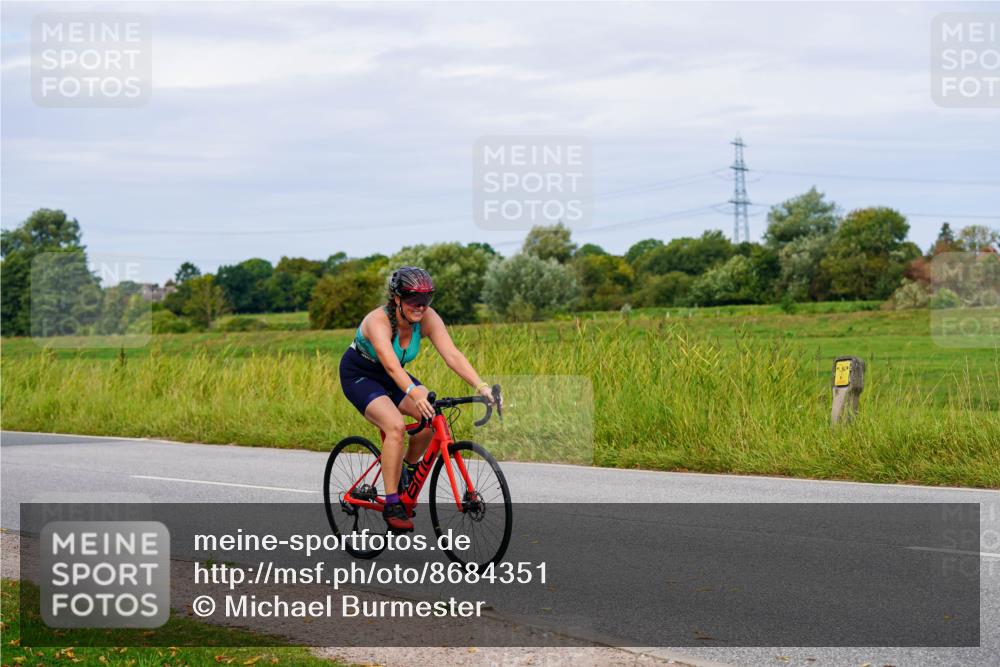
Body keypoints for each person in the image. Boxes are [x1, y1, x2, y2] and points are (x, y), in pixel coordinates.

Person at [338, 266, 495, 532]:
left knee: (432, 416)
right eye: (413, 299)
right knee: (395, 426)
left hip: (394, 377)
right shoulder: (378, 321)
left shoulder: (427, 317)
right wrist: (413, 392)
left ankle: (407, 470)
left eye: (426, 299)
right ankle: (392, 503)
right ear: (397, 298)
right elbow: (391, 366)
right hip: (361, 376)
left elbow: (452, 355)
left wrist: (481, 386)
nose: (420, 306)